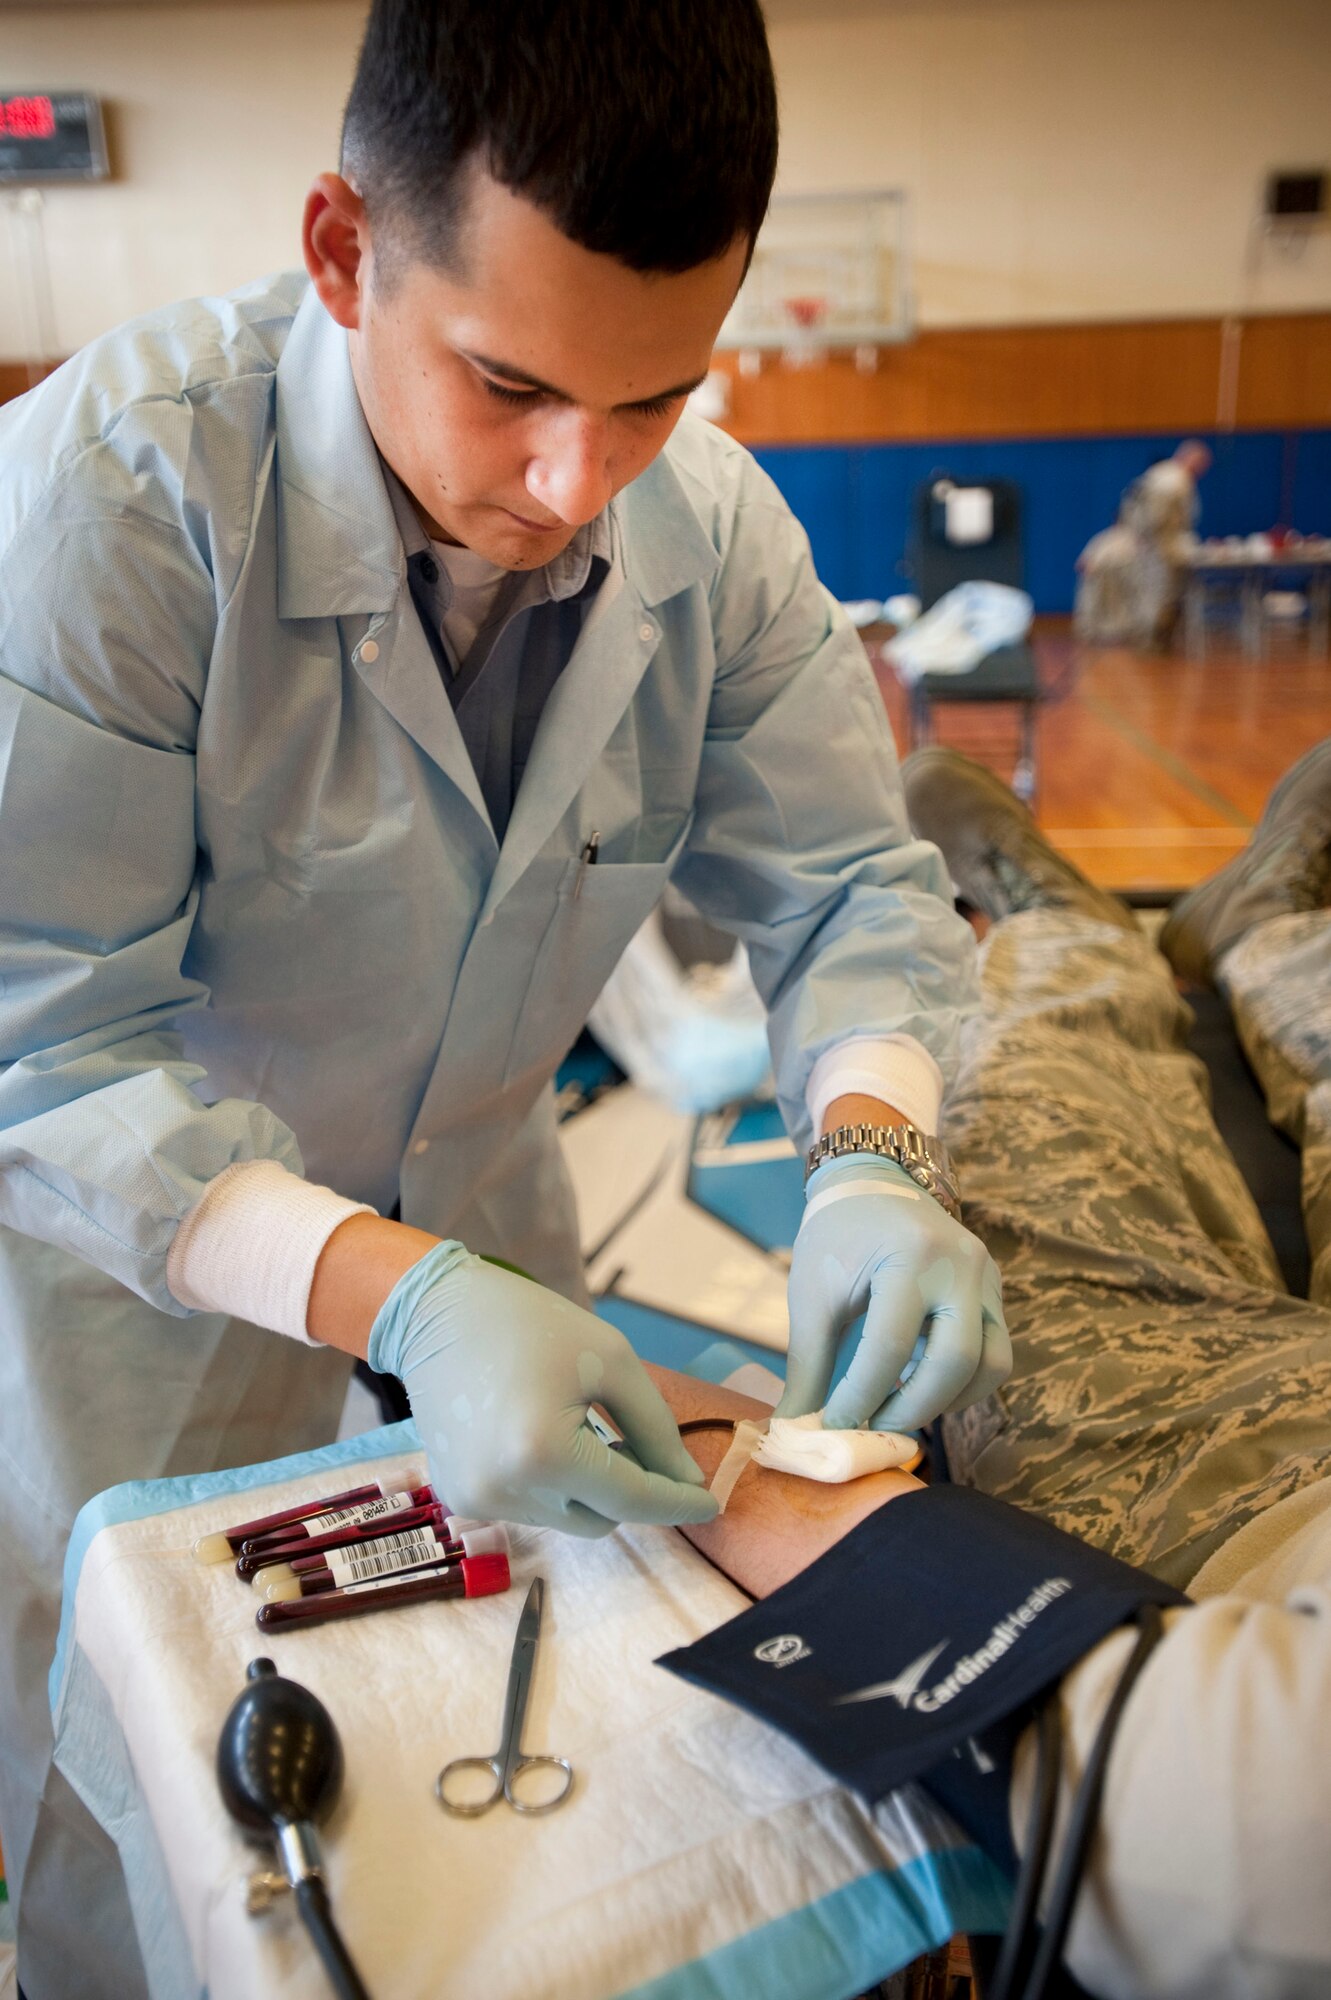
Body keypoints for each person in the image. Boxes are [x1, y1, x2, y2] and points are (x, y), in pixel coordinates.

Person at [0, 2, 1008, 1991]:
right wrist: (402, 1297)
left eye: (649, 399)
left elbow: (844, 891)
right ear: (339, 250)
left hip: (490, 1240)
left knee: (526, 1789)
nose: (570, 480)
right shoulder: (105, 505)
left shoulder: (703, 530)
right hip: (124, 1303)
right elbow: (45, 1038)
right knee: (145, 1814)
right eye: (507, 383)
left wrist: (875, 1156)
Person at [664, 738, 1331, 1998]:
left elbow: (1219, 1824)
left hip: (1235, 1501)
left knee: (1012, 1102)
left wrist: (718, 1451)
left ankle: (1059, 924)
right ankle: (1266, 929)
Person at [1075, 439, 1212, 649]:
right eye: (1201, 465)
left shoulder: (1162, 476)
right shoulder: (1172, 480)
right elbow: (1155, 518)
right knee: (1158, 597)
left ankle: (1153, 640)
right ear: (1192, 460)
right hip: (1159, 548)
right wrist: (1150, 538)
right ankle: (1151, 642)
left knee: (1156, 596)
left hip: (1156, 546)